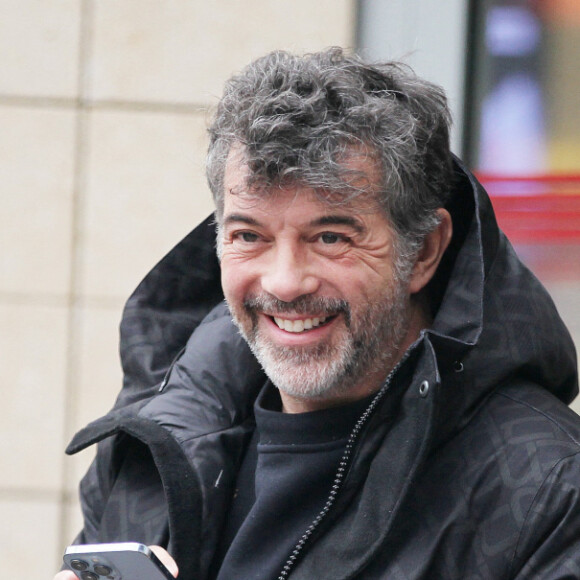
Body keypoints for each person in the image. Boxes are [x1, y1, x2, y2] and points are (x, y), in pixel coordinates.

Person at [55, 48, 580, 580]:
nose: (284, 282)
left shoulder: (548, 490)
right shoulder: (155, 446)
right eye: (248, 236)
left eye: (330, 237)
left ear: (423, 251)